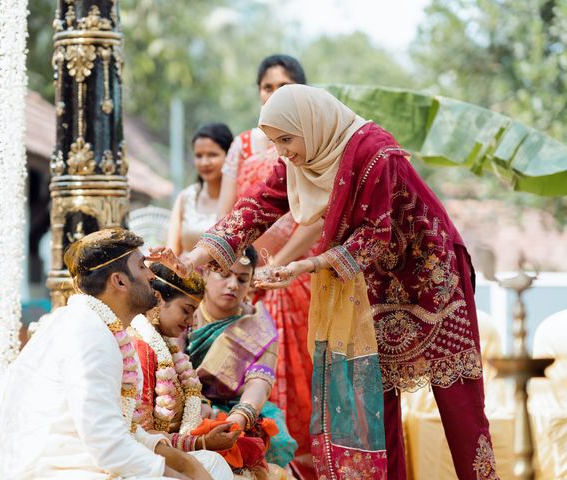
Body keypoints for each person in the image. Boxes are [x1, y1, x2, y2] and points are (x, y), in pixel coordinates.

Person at [150, 85, 499, 480]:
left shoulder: (374, 151)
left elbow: (375, 234)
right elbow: (258, 204)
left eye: (286, 139)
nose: (282, 151)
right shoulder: (301, 155)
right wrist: (194, 258)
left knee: (459, 400)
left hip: (433, 276)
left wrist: (307, 265)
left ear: (312, 125)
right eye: (276, 141)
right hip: (373, 283)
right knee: (376, 402)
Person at [0, 228, 227, 480]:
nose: (151, 276)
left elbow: (124, 429)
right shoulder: (87, 333)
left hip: (81, 459)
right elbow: (109, 445)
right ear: (119, 281)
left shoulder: (99, 327)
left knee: (211, 464)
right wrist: (181, 474)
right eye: (142, 267)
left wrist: (186, 461)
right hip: (49, 471)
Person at [216, 54, 319, 476]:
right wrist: (235, 268)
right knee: (255, 377)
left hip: (297, 277)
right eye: (267, 87)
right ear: (258, 92)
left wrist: (284, 264)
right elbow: (228, 215)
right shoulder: (241, 146)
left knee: (306, 377)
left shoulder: (312, 141)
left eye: (284, 86)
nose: (274, 93)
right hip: (248, 282)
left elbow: (315, 214)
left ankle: (311, 468)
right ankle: (268, 466)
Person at [186, 245, 298, 478]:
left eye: (242, 278)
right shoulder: (185, 311)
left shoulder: (259, 325)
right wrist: (195, 404)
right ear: (204, 273)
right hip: (186, 403)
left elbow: (260, 381)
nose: (233, 285)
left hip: (239, 411)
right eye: (225, 274)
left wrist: (239, 418)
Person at [128, 263, 240, 466]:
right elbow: (141, 434)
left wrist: (204, 408)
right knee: (215, 463)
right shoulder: (141, 348)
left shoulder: (164, 344)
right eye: (186, 310)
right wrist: (201, 443)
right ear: (158, 299)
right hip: (153, 456)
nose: (191, 322)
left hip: (174, 446)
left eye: (194, 313)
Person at [167, 123, 233, 255]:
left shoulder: (241, 199)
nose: (204, 162)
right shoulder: (186, 197)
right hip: (185, 274)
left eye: (212, 155)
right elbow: (172, 251)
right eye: (199, 156)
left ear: (230, 155)